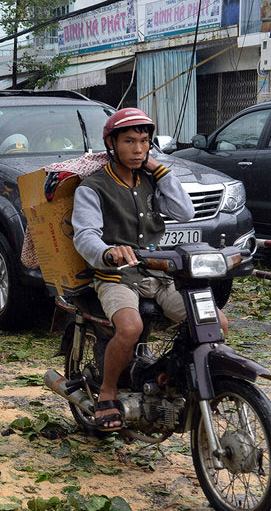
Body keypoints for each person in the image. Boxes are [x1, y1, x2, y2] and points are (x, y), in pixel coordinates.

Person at [71, 107, 220, 431]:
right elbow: (84, 236)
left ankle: (168, 378)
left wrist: (159, 168)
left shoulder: (151, 179)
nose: (137, 149)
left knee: (214, 321)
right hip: (116, 276)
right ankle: (109, 392)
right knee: (129, 328)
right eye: (129, 141)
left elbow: (184, 210)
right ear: (111, 144)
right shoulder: (92, 187)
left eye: (144, 142)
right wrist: (109, 253)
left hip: (159, 273)